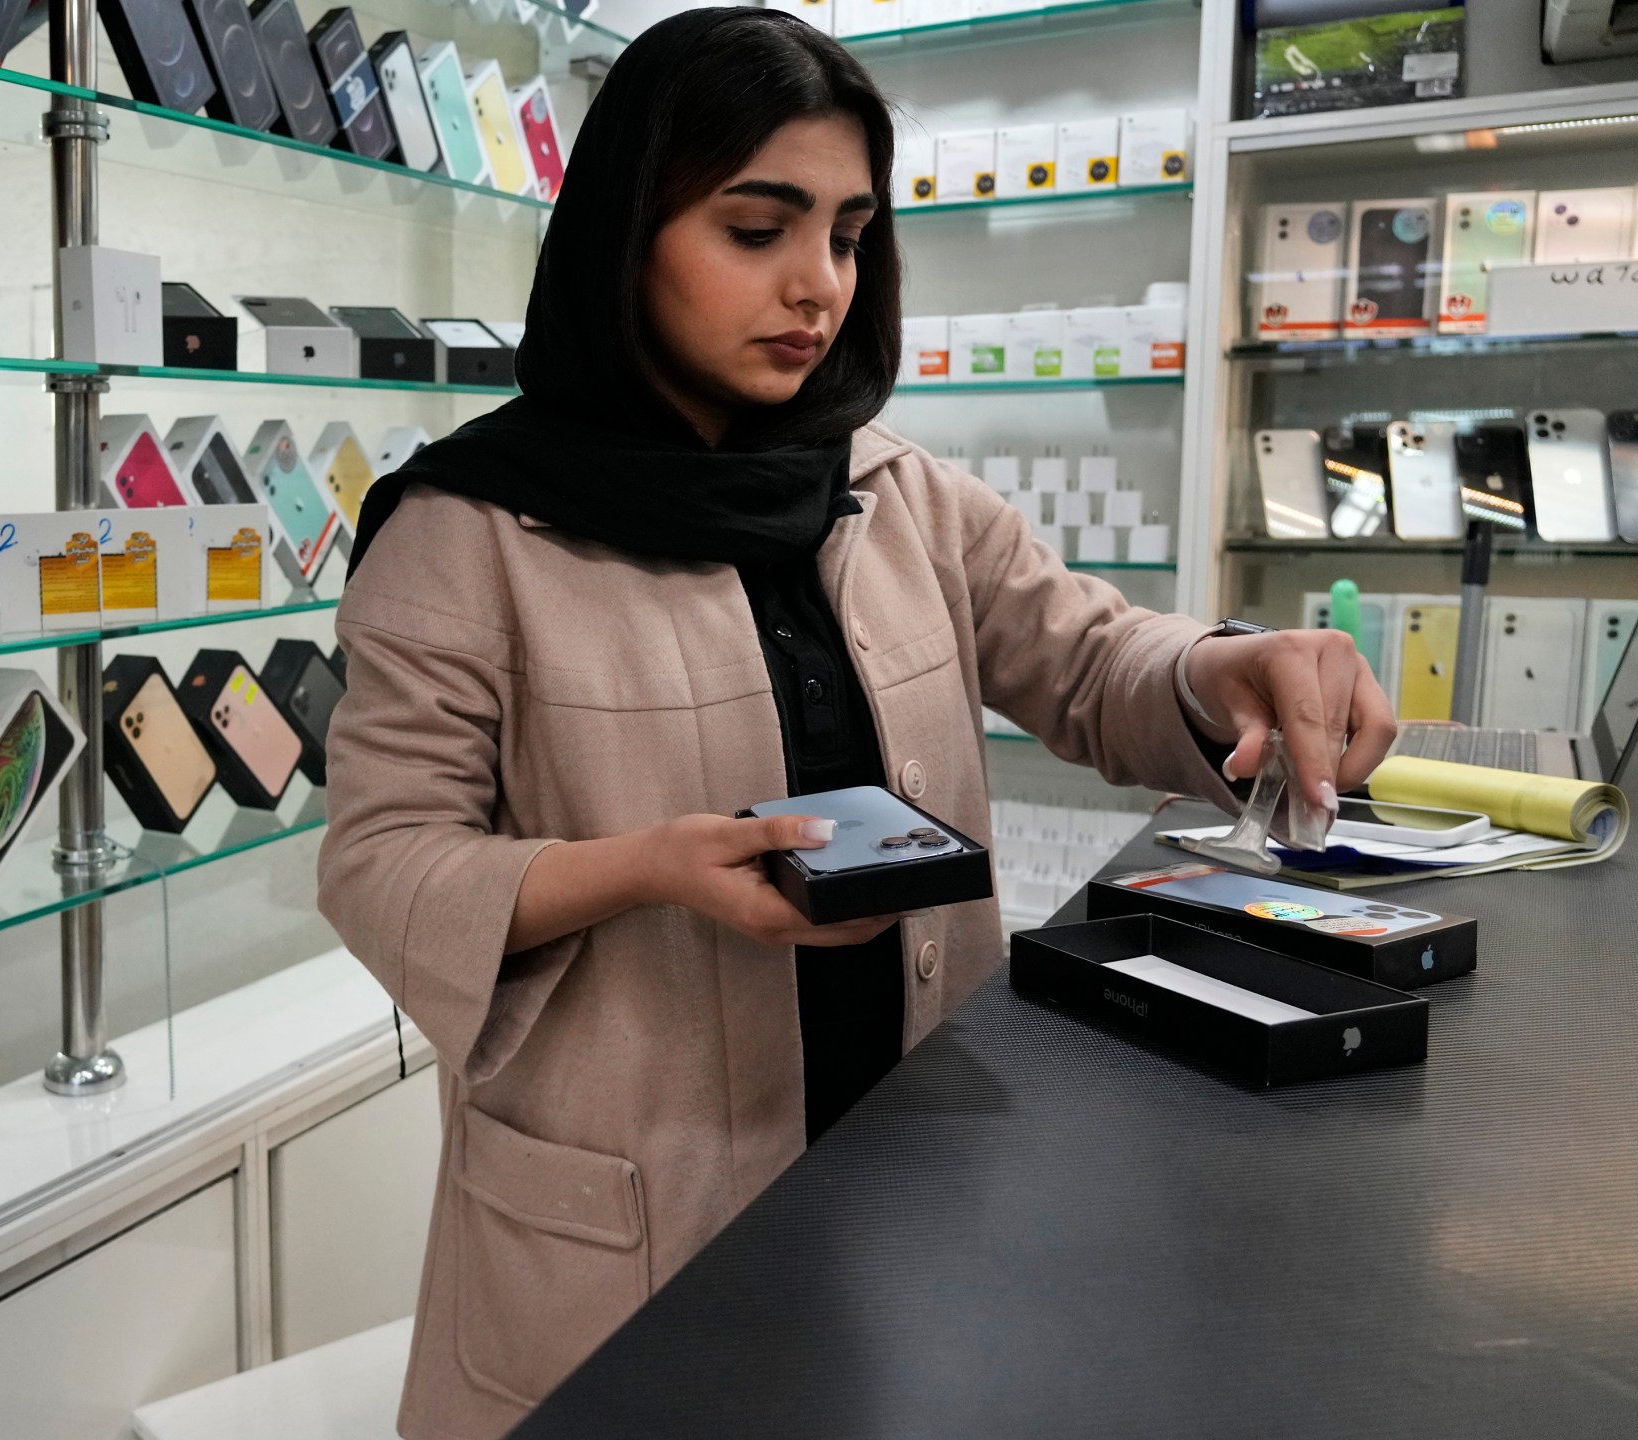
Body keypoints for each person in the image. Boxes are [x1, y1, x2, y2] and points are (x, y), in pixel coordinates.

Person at [314, 9, 1395, 1439]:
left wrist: (1227, 667)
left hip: (906, 1167)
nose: (815, 285)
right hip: (630, 1219)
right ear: (627, 227)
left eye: (847, 234)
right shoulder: (467, 533)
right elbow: (381, 861)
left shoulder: (892, 490)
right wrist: (644, 867)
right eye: (756, 229)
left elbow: (1086, 658)